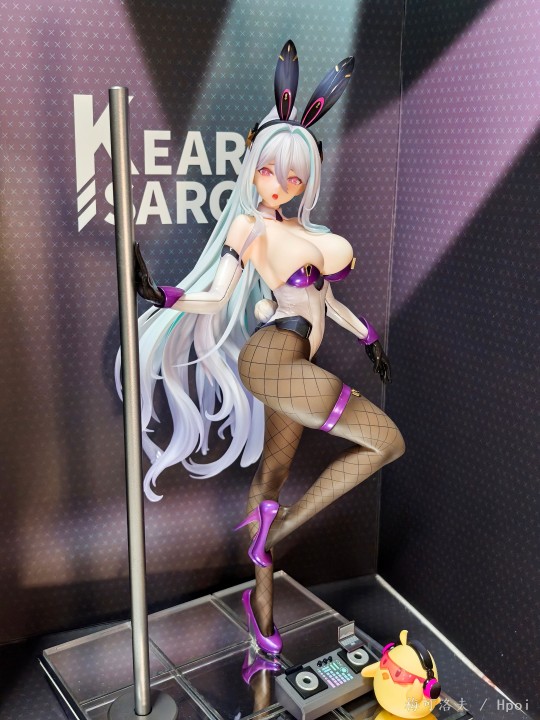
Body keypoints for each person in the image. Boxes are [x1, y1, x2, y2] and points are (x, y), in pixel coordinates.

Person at [126, 40, 405, 659]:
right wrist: (162, 295)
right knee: (386, 441)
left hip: (295, 362)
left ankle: (263, 614)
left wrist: (368, 338)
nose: (277, 184)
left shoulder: (310, 233)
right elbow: (216, 295)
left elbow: (324, 301)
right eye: (268, 171)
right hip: (272, 355)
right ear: (254, 166)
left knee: (270, 477)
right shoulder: (250, 226)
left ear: (307, 181)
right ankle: (276, 533)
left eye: (292, 177)